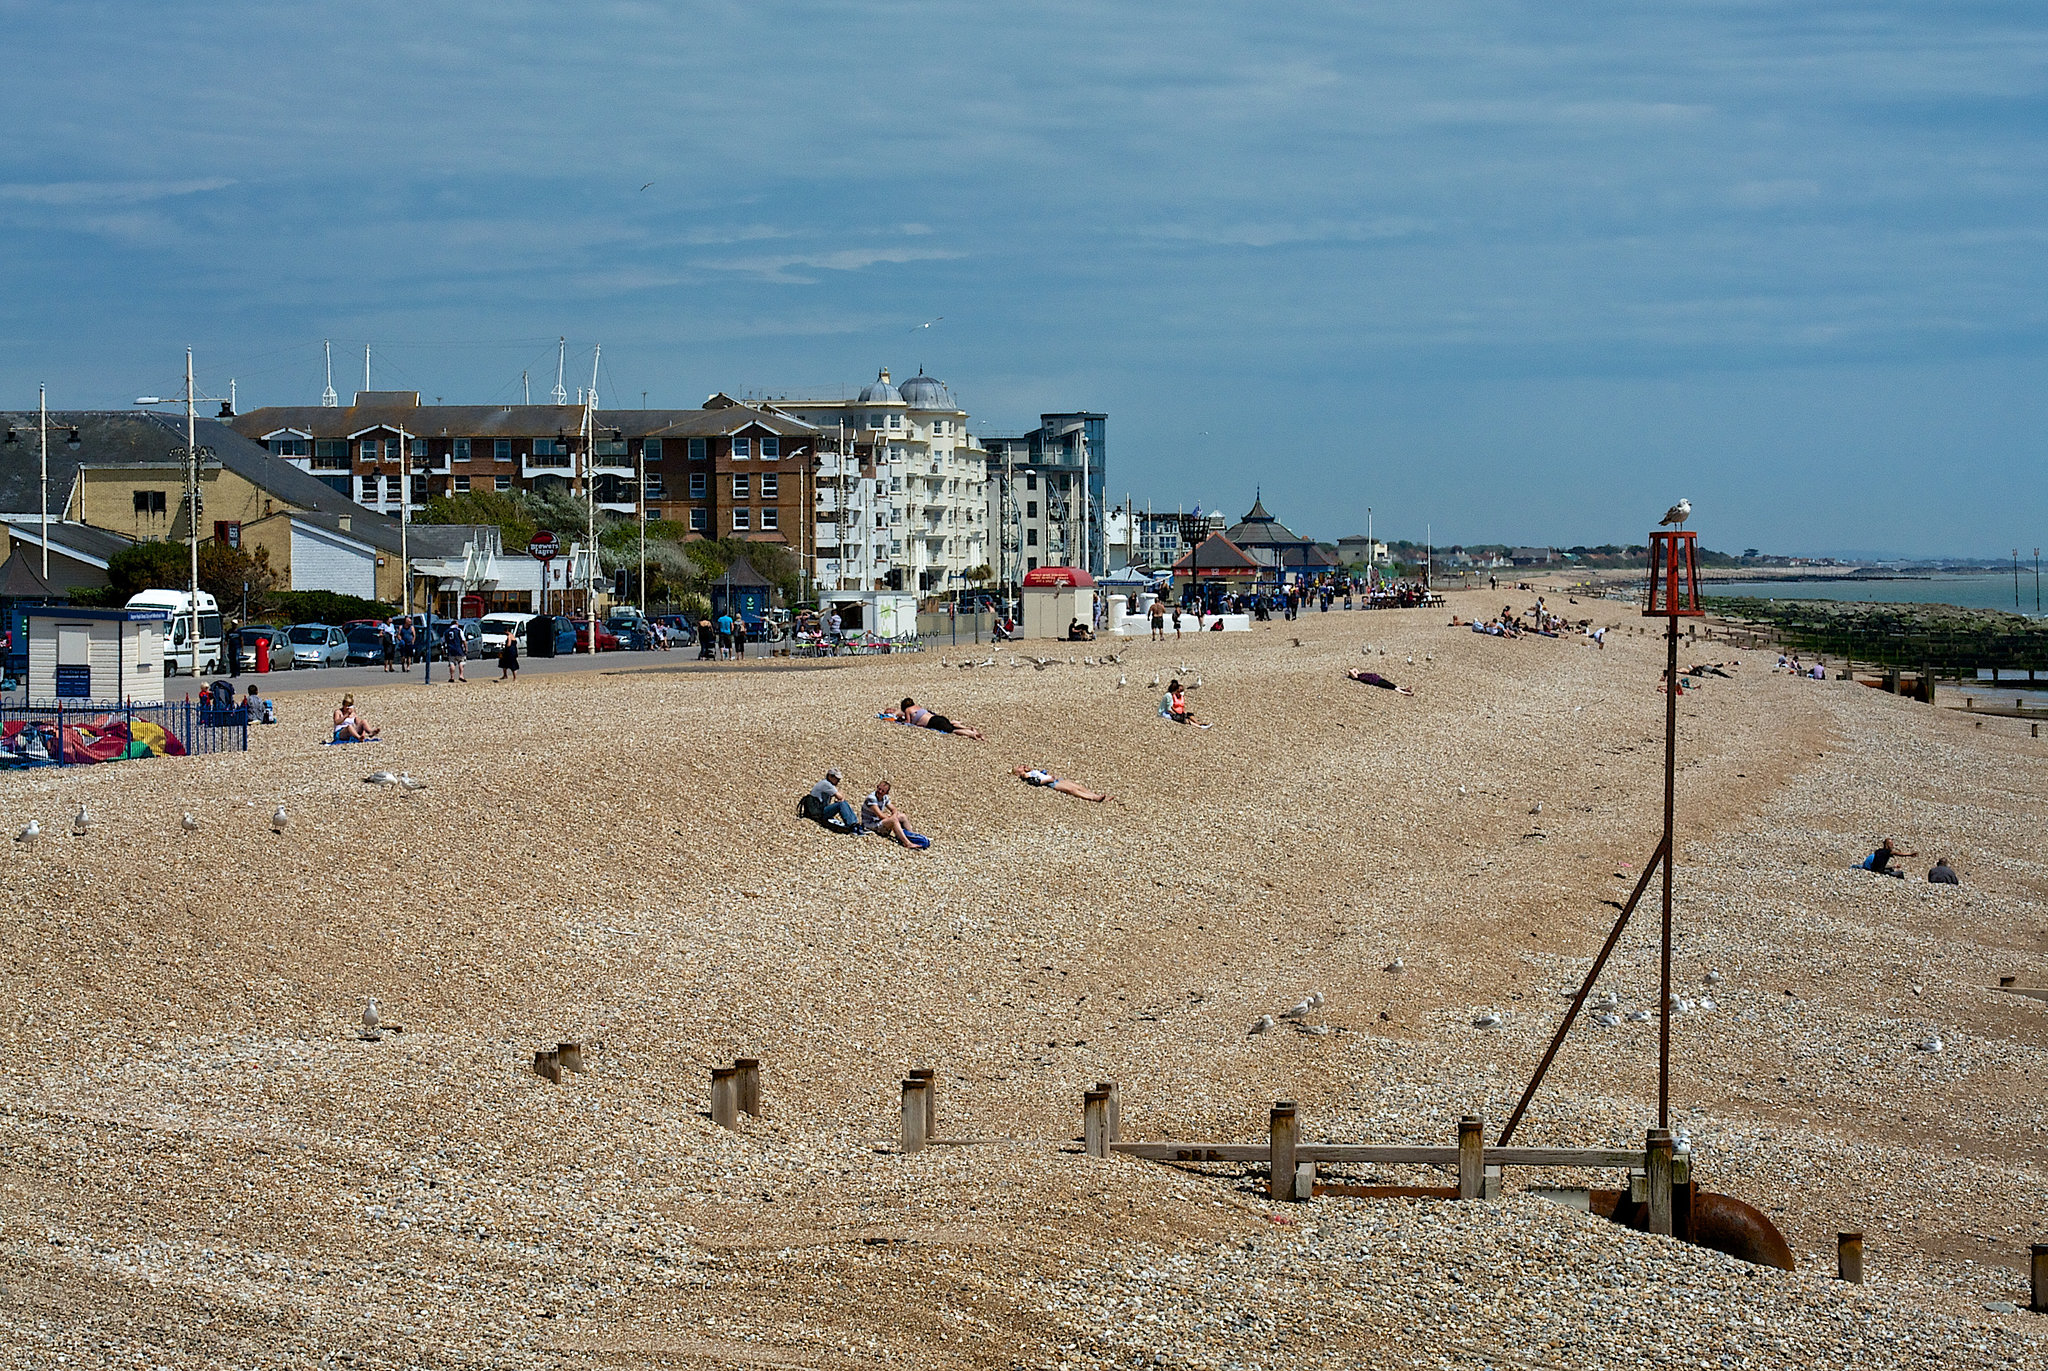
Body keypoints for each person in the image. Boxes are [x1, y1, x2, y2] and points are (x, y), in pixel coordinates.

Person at [861, 779, 929, 849]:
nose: (880, 792)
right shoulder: (872, 798)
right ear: (877, 787)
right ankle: (908, 843)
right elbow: (880, 815)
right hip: (870, 824)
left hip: (878, 822)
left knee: (902, 816)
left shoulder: (884, 798)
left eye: (883, 791)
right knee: (894, 820)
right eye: (879, 789)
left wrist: (894, 815)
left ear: (886, 793)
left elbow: (894, 809)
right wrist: (892, 818)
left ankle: (911, 836)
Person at [887, 697, 986, 740]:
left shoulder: (908, 710)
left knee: (952, 730)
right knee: (950, 725)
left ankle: (972, 734)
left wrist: (899, 722)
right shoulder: (917, 707)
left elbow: (908, 723)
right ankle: (969, 729)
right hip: (937, 717)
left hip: (932, 722)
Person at [804, 768, 861, 835]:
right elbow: (840, 797)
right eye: (837, 778)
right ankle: (852, 825)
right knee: (841, 804)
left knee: (842, 803)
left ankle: (854, 823)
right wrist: (840, 793)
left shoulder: (825, 783)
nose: (838, 781)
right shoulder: (826, 784)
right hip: (819, 812)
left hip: (819, 810)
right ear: (830, 776)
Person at [1013, 764, 1108, 802]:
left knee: (1077, 786)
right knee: (1072, 790)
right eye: (1020, 767)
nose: (1023, 766)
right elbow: (1036, 782)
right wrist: (1048, 780)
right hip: (1051, 783)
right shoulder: (1026, 776)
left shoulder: (1031, 771)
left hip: (1054, 779)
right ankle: (1092, 798)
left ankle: (1095, 795)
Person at [1346, 669, 1413, 695]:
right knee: (1390, 686)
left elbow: (1355, 669)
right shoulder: (1358, 677)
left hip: (1377, 679)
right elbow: (1351, 670)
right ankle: (1404, 692)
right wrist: (1351, 674)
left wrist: (1354, 671)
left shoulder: (1360, 675)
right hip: (1376, 681)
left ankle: (1403, 688)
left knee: (1391, 684)